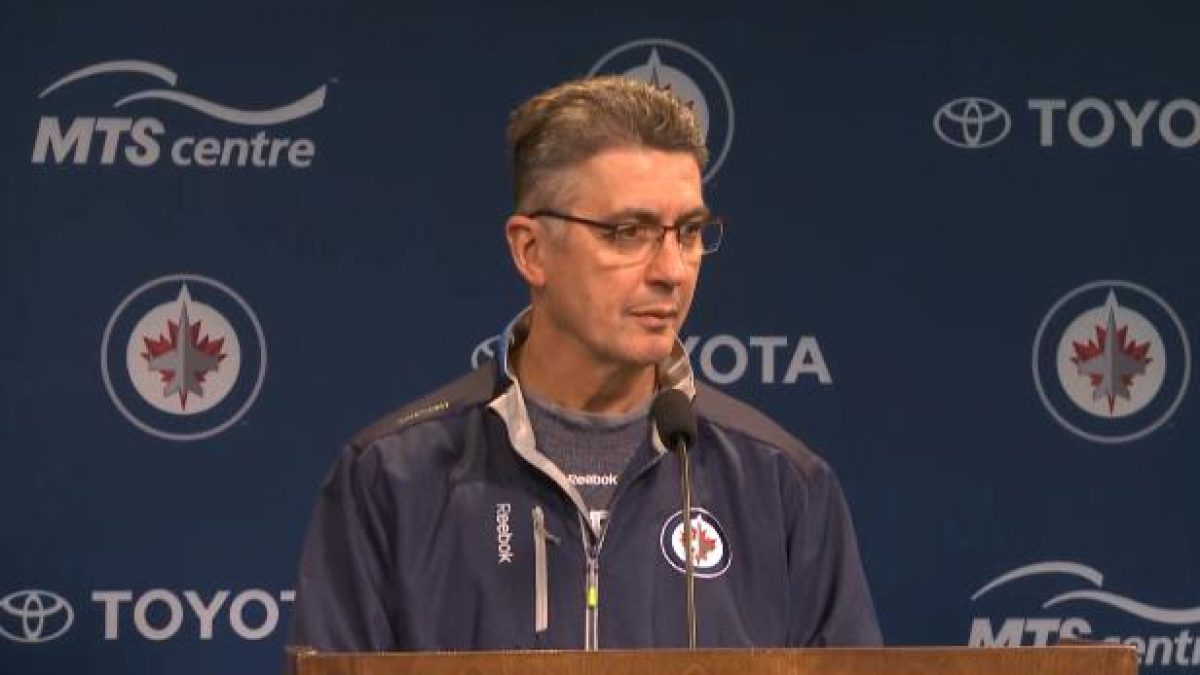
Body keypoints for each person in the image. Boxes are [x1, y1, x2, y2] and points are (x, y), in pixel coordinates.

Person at [289, 76, 882, 651]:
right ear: (531, 250)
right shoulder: (389, 480)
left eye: (689, 232)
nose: (671, 271)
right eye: (628, 231)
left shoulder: (783, 485)